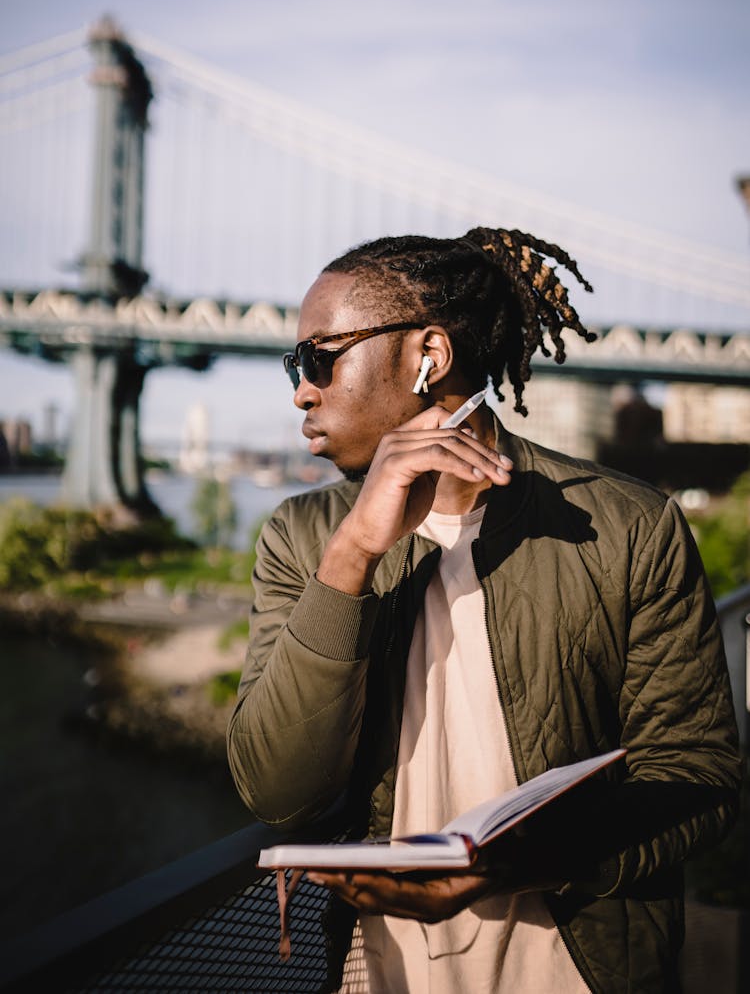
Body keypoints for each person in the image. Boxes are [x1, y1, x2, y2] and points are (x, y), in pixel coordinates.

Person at [227, 227, 740, 994]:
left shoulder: (629, 526)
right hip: (379, 973)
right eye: (295, 366)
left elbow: (697, 773)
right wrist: (354, 552)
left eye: (319, 358)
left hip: (583, 969)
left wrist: (518, 864)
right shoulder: (302, 538)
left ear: (428, 355)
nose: (302, 389)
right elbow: (275, 789)